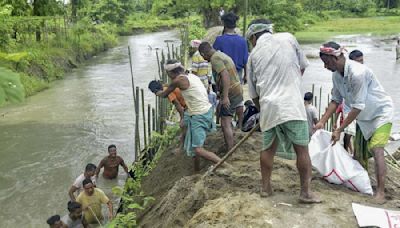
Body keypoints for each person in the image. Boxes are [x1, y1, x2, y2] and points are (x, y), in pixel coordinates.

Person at [246, 18, 320, 203]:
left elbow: (254, 93)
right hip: (292, 105)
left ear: (254, 36)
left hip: (269, 106)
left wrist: (263, 110)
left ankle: (265, 188)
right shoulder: (288, 38)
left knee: (267, 149)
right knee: (302, 150)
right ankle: (305, 193)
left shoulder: (253, 55)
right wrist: (291, 82)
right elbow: (302, 67)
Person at [317, 41, 393, 204]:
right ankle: (361, 180)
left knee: (377, 149)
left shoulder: (357, 73)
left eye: (326, 62)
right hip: (363, 118)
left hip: (380, 113)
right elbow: (336, 100)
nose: (325, 67)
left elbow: (357, 106)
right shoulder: (336, 75)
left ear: (336, 57)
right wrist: (322, 121)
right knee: (359, 153)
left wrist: (339, 129)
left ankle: (380, 193)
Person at [155, 59, 226, 172]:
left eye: (168, 74)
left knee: (198, 150)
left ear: (171, 73)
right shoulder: (190, 75)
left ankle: (223, 164)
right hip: (205, 110)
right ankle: (196, 170)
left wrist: (156, 91)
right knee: (190, 139)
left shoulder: (178, 80)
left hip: (199, 114)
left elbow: (164, 94)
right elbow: (174, 86)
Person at [199, 42, 244, 150]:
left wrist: (225, 97)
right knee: (222, 112)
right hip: (237, 88)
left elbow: (225, 76)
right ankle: (233, 138)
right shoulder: (220, 54)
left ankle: (230, 150)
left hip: (231, 92)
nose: (204, 59)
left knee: (225, 122)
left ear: (203, 53)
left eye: (202, 56)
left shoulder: (215, 59)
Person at [213, 12, 247, 128]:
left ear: (224, 24)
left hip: (224, 73)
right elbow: (246, 59)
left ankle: (223, 122)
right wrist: (246, 74)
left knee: (224, 97)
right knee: (239, 98)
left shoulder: (219, 40)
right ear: (235, 24)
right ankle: (240, 124)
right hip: (238, 72)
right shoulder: (242, 40)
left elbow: (214, 57)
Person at [149, 80, 187, 153]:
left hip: (188, 105)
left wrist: (182, 117)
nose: (156, 95)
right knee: (184, 125)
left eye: (154, 92)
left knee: (183, 126)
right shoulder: (166, 87)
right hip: (187, 104)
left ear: (156, 90)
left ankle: (181, 147)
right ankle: (183, 140)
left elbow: (177, 104)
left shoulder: (167, 91)